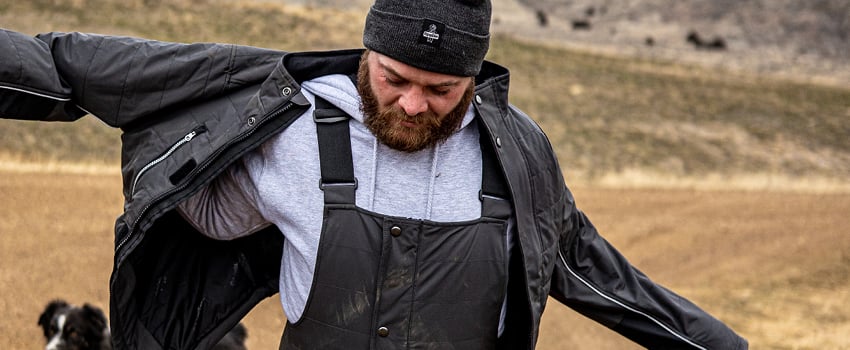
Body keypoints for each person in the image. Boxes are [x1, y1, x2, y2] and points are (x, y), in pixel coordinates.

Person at [0, 0, 748, 349]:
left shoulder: (520, 156)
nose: (414, 105)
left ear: (476, 78)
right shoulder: (284, 119)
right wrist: (183, 178)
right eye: (394, 78)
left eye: (441, 91)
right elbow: (78, 70)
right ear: (367, 50)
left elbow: (595, 275)